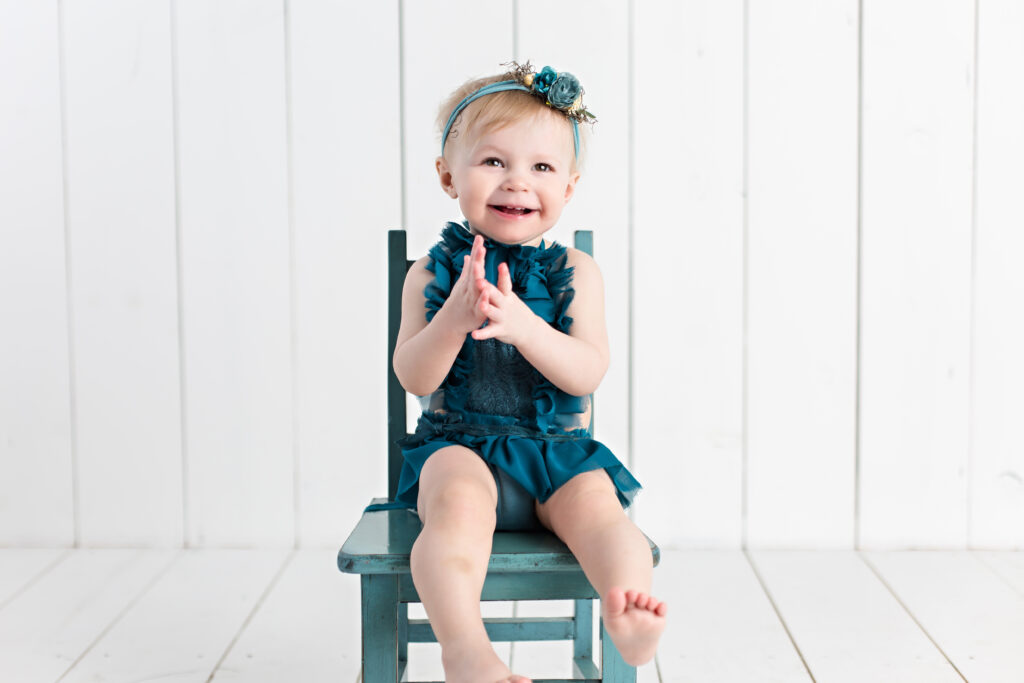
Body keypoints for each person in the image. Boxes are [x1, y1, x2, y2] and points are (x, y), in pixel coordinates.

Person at [391, 62, 666, 683]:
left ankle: (627, 606)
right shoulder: (433, 276)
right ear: (447, 175)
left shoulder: (575, 272)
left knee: (603, 513)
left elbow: (585, 372)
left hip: (556, 455)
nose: (517, 181)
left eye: (541, 167)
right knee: (457, 508)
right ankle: (466, 650)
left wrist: (524, 326)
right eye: (493, 162)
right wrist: (453, 320)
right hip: (457, 446)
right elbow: (412, 375)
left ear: (568, 188)